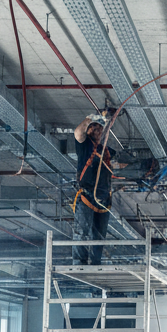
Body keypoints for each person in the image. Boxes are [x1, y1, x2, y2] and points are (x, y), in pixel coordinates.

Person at [72, 112, 114, 264]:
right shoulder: (84, 145)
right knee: (82, 231)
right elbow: (78, 132)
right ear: (88, 131)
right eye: (93, 128)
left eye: (99, 129)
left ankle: (96, 264)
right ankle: (79, 264)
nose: (97, 130)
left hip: (104, 199)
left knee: (99, 236)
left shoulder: (105, 151)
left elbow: (117, 166)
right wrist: (90, 118)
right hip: (87, 196)